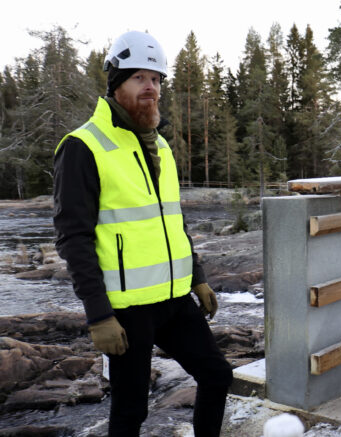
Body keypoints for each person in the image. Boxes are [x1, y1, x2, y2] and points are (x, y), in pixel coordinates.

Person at [53, 31, 232, 436]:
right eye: (139, 78)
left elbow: (172, 221)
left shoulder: (160, 146)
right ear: (116, 83)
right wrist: (99, 314)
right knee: (131, 410)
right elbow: (72, 237)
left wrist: (197, 277)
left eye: (157, 79)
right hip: (127, 309)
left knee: (217, 375)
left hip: (172, 299)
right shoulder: (84, 146)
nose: (150, 88)